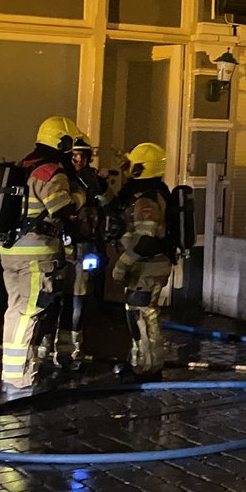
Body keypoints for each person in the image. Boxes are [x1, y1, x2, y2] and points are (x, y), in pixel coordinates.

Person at [0, 116, 86, 396]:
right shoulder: (50, 171)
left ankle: (14, 371)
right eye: (69, 144)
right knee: (30, 312)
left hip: (11, 251)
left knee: (16, 310)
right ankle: (19, 378)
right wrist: (82, 196)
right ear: (61, 142)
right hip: (36, 255)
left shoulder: (24, 166)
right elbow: (61, 207)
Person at [111, 141, 176, 379]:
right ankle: (142, 361)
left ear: (141, 168)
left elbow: (146, 242)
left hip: (147, 267)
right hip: (148, 266)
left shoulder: (147, 200)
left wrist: (122, 264)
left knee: (143, 316)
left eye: (133, 166)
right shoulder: (154, 192)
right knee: (138, 313)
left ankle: (147, 368)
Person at [50, 135, 114, 372]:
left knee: (78, 297)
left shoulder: (93, 179)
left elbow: (110, 204)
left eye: (81, 156)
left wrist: (102, 185)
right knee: (54, 297)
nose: (77, 159)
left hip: (85, 246)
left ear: (88, 158)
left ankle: (72, 348)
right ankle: (49, 346)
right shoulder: (59, 177)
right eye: (74, 155)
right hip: (58, 246)